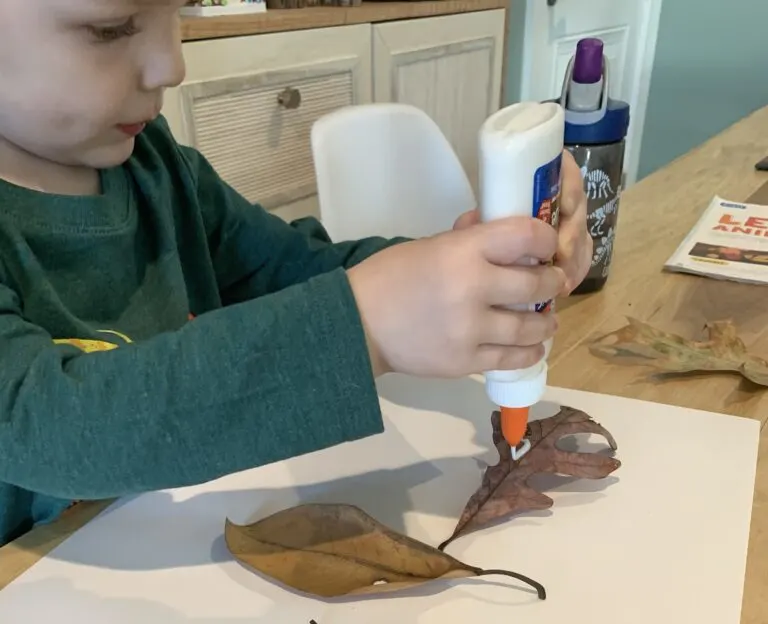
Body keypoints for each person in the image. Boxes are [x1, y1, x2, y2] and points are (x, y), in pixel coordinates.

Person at [0, 0, 592, 546]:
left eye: (178, 9)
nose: (171, 65)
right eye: (111, 27)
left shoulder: (156, 165)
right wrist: (366, 328)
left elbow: (293, 269)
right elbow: (44, 424)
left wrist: (468, 272)